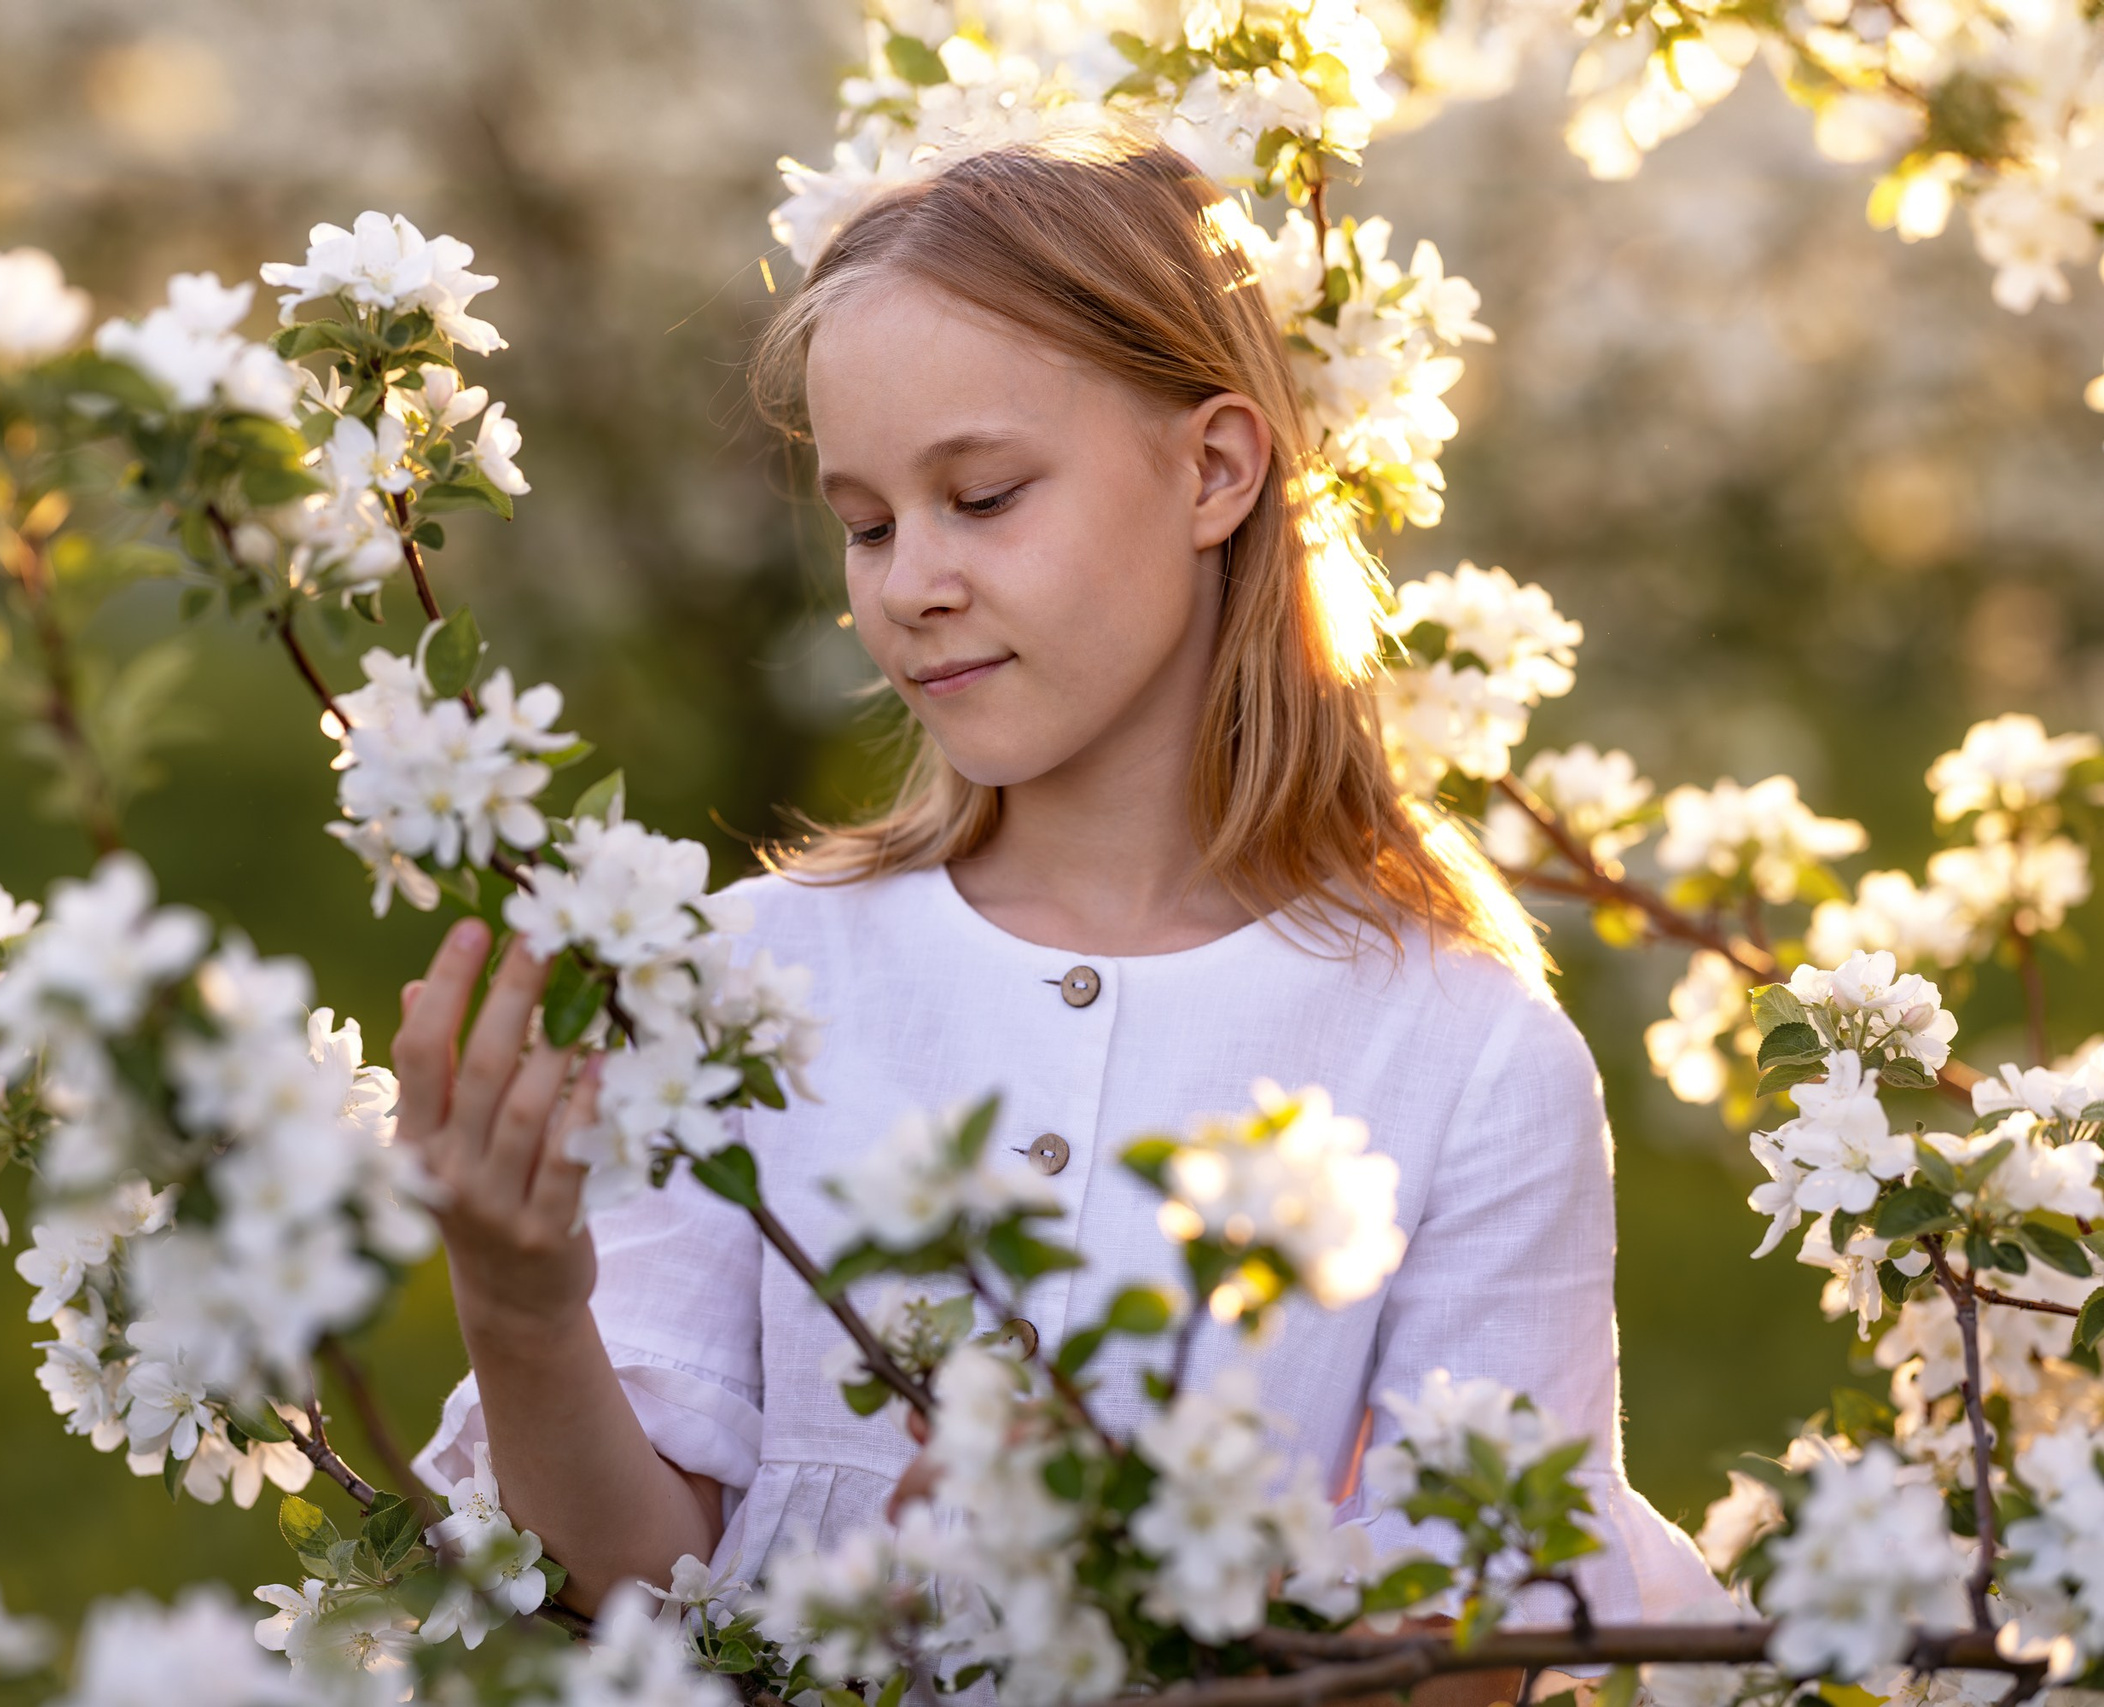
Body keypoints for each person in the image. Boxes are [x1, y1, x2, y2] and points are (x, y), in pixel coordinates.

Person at [395, 130, 1718, 1642]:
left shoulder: (1464, 1056)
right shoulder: (746, 981)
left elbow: (1473, 1655)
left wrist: (1123, 1573)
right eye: (867, 524)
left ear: (1214, 468)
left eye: (986, 496)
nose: (908, 585)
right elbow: (630, 1579)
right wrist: (518, 1303)